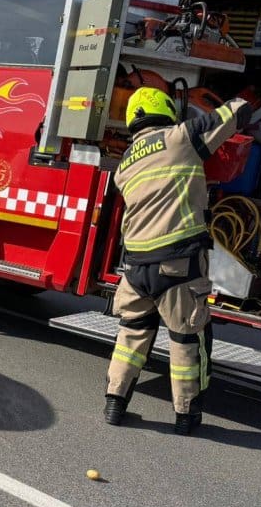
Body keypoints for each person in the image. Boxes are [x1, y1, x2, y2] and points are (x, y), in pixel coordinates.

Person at [104, 86, 251, 435]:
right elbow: (238, 111)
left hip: (135, 268)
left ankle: (114, 403)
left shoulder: (124, 164)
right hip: (179, 265)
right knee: (186, 341)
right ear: (168, 111)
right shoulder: (181, 137)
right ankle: (186, 416)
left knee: (131, 336)